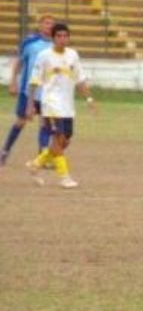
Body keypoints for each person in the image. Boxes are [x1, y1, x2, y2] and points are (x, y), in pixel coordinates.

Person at [25, 23, 97, 188]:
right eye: (59, 36)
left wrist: (90, 100)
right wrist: (30, 105)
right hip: (50, 104)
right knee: (59, 139)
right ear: (53, 38)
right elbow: (34, 81)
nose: (63, 39)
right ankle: (64, 177)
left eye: (65, 36)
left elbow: (80, 80)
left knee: (65, 141)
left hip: (67, 106)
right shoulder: (44, 56)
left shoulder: (73, 55)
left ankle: (35, 164)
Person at [0, 14, 55, 165]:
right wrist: (13, 82)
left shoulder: (57, 45)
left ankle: (41, 157)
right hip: (28, 91)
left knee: (45, 124)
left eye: (51, 24)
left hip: (47, 93)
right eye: (46, 23)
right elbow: (19, 62)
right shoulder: (30, 43)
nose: (48, 26)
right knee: (20, 122)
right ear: (40, 25)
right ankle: (5, 150)